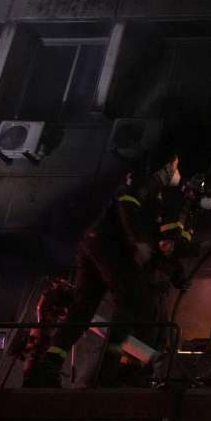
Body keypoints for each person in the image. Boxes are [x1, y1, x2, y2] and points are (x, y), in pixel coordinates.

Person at [22, 150, 184, 388]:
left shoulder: (150, 194)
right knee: (130, 301)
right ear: (166, 167)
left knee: (82, 309)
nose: (176, 172)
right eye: (174, 166)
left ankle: (49, 366)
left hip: (93, 243)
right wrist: (138, 241)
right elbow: (129, 210)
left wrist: (173, 270)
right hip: (109, 246)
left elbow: (154, 247)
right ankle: (108, 370)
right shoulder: (147, 186)